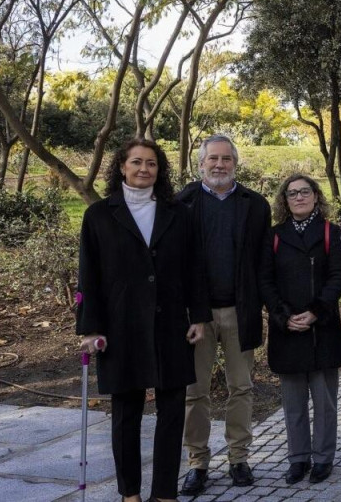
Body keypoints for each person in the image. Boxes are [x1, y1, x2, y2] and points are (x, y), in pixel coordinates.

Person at [76, 139, 209, 502]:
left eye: (151, 163)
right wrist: (90, 328)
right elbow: (88, 276)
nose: (144, 169)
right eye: (136, 162)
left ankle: (164, 494)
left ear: (159, 170)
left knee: (172, 412)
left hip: (171, 324)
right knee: (125, 414)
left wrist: (199, 316)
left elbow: (195, 268)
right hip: (121, 327)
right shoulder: (99, 215)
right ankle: (130, 494)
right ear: (122, 166)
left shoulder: (178, 213)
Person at [177, 135, 271, 495]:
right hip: (196, 316)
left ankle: (238, 458)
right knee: (194, 391)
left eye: (226, 159)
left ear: (235, 163)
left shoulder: (255, 205)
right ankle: (197, 462)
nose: (219, 165)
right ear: (200, 163)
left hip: (239, 310)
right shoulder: (182, 202)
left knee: (241, 387)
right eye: (213, 158)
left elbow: (263, 261)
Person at [258, 175, 341, 485]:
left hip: (322, 329)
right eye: (292, 193)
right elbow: (265, 280)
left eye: (304, 192)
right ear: (284, 200)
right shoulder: (274, 236)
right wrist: (283, 315)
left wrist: (315, 311)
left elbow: (338, 276)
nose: (299, 197)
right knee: (293, 403)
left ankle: (323, 458)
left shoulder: (331, 233)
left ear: (315, 196)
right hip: (287, 330)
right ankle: (298, 458)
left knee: (325, 403)